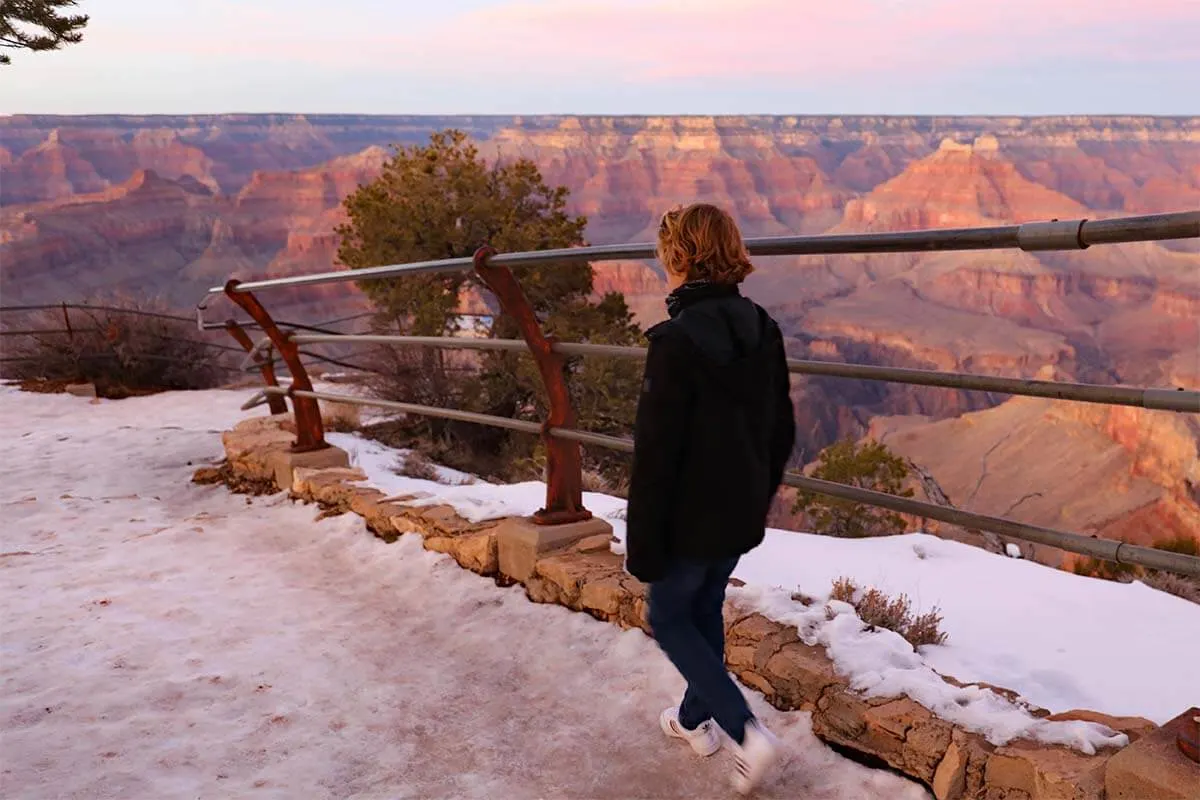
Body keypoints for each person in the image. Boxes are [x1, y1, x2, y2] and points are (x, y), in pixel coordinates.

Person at [625, 203, 796, 795]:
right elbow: (782, 429)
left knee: (668, 616)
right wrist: (758, 494)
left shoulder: (674, 343)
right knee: (704, 611)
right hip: (738, 512)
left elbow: (655, 459)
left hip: (686, 521)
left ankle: (747, 731)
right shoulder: (762, 326)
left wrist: (643, 546)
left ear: (681, 258)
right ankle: (694, 722)